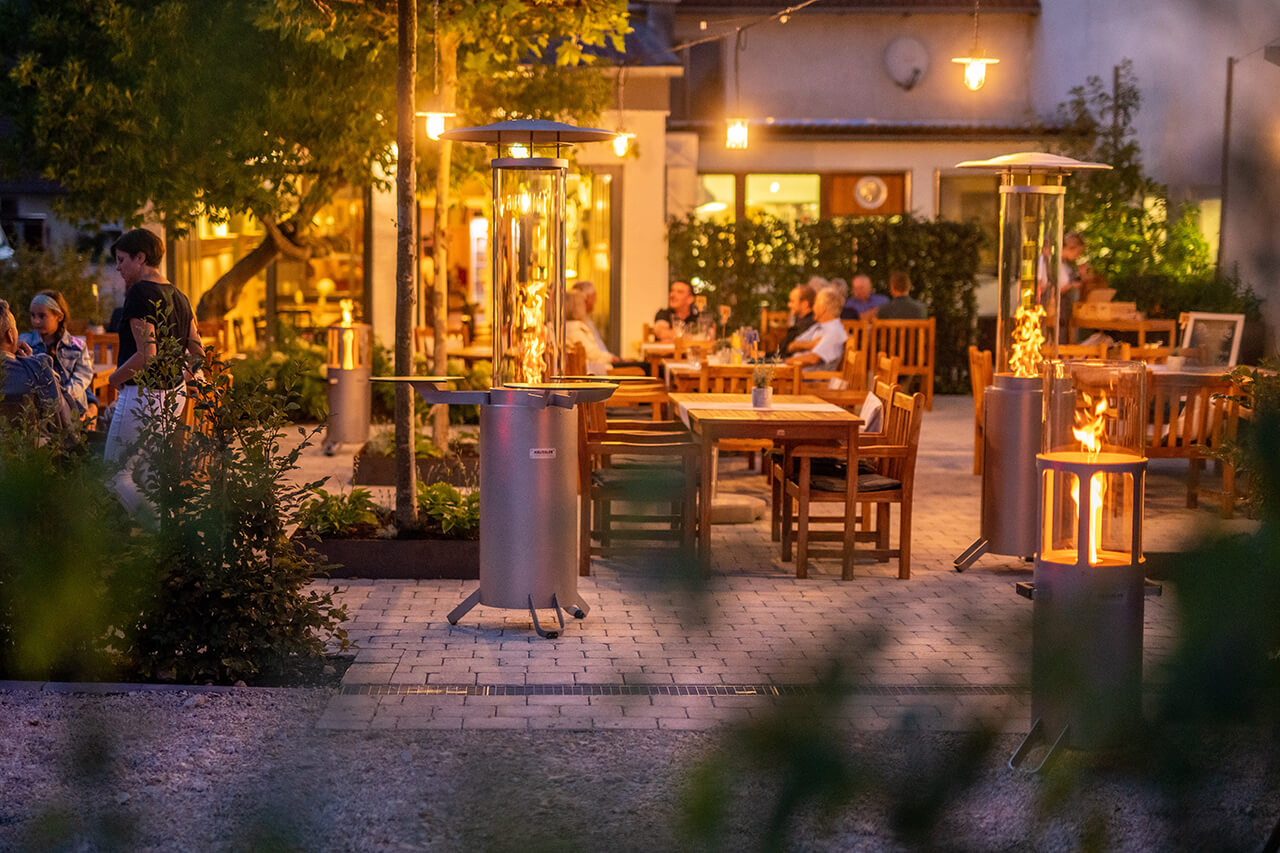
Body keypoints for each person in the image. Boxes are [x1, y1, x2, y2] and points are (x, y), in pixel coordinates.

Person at [105, 228, 204, 520]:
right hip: (174, 395)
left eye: (122, 260)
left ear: (141, 257)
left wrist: (114, 379)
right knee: (147, 474)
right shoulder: (180, 295)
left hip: (142, 395)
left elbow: (147, 355)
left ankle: (164, 535)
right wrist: (181, 376)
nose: (118, 267)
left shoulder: (140, 293)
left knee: (115, 474)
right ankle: (166, 545)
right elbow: (198, 352)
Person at [18, 290, 96, 419]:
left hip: (72, 408)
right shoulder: (25, 343)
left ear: (59, 317)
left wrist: (62, 396)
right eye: (33, 315)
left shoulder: (77, 346)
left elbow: (83, 375)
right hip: (38, 411)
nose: (36, 321)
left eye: (42, 316)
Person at [0, 298, 73, 427]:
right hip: (32, 445)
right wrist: (32, 363)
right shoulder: (38, 370)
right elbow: (67, 420)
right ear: (10, 335)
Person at [786, 288, 848, 372]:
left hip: (810, 381)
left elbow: (813, 358)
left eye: (815, 303)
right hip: (798, 374)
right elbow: (791, 346)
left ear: (823, 308)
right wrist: (810, 345)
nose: (812, 307)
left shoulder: (834, 331)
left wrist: (785, 362)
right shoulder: (818, 326)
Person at [565, 288, 617, 375]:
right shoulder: (574, 329)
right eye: (582, 304)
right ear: (576, 307)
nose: (585, 308)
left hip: (597, 369)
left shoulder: (576, 327)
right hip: (593, 374)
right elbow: (593, 354)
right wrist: (611, 358)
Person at [778, 283, 817, 356]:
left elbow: (786, 352)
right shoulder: (800, 321)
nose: (788, 305)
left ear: (805, 304)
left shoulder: (807, 325)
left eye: (792, 301)